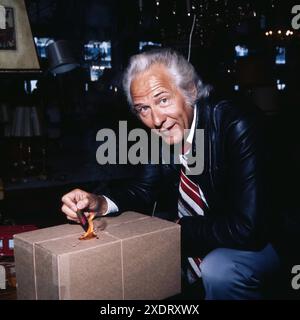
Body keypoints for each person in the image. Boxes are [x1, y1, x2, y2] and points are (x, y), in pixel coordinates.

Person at [61, 48, 280, 300]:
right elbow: (144, 189)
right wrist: (98, 202)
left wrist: (175, 230)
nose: (155, 119)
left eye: (163, 100)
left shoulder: (237, 123)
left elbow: (248, 229)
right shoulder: (163, 132)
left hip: (269, 241)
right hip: (204, 235)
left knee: (219, 269)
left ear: (190, 91)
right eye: (143, 108)